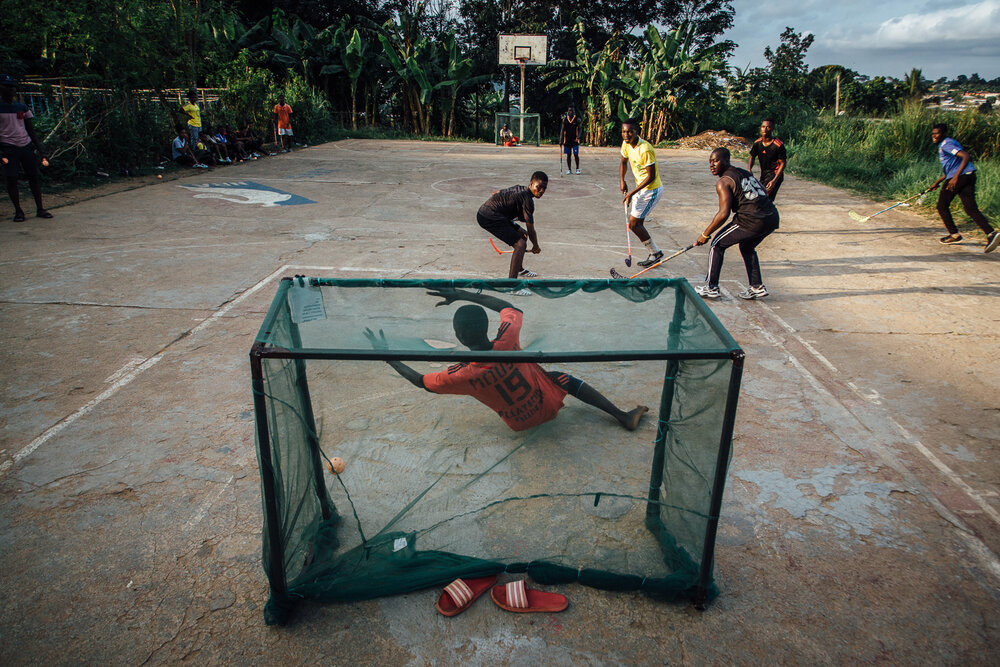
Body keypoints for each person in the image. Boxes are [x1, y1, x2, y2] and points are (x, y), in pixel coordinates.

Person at [364, 288, 648, 432]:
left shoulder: (462, 375)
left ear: (458, 336)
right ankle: (621, 416)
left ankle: (621, 416)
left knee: (522, 376)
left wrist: (387, 356)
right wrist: (462, 294)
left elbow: (419, 381)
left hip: (517, 423)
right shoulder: (507, 337)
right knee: (558, 377)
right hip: (546, 403)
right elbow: (509, 307)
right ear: (487, 328)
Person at [693, 147, 780, 300]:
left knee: (717, 244)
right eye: (710, 162)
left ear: (726, 160)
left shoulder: (724, 182)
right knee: (747, 246)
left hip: (751, 219)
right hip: (771, 217)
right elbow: (764, 192)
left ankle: (711, 287)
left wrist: (705, 234)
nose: (712, 165)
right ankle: (756, 286)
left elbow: (723, 214)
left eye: (716, 161)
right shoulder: (744, 172)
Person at [928, 123, 998, 252]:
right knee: (970, 208)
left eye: (936, 133)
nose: (934, 136)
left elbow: (965, 156)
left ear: (943, 133)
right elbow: (953, 165)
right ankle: (991, 234)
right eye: (932, 134)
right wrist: (938, 181)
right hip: (968, 175)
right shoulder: (951, 142)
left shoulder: (946, 144)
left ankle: (954, 234)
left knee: (942, 205)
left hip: (959, 177)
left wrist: (955, 178)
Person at [477, 171, 547, 294]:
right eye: (538, 187)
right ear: (531, 184)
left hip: (495, 215)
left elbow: (498, 192)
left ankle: (518, 269)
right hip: (488, 216)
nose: (541, 190)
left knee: (522, 235)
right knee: (520, 244)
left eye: (544, 188)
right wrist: (536, 246)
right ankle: (512, 286)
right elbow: (531, 229)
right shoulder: (528, 201)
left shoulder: (520, 189)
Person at [0, 74, 53, 222]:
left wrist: (41, 150)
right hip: (8, 148)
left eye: (12, 87)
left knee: (34, 177)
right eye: (6, 87)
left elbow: (31, 131)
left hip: (25, 145)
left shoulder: (22, 107)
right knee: (11, 178)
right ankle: (18, 211)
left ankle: (40, 208)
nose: (10, 90)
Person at [620, 119, 665, 267]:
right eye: (624, 131)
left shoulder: (645, 149)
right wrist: (622, 180)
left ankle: (655, 252)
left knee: (633, 224)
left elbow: (651, 176)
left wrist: (631, 193)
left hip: (651, 190)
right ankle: (653, 251)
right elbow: (623, 162)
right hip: (641, 188)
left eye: (630, 131)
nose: (626, 134)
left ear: (636, 132)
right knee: (637, 223)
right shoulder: (626, 144)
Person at [747, 118, 786, 201]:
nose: (765, 129)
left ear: (772, 129)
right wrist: (749, 169)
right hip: (764, 175)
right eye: (763, 126)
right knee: (760, 198)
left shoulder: (778, 145)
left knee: (764, 199)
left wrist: (774, 181)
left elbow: (783, 163)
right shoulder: (757, 143)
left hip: (774, 175)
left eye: (768, 127)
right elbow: (752, 157)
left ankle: (771, 213)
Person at [560, 105, 582, 174]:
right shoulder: (565, 120)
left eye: (572, 111)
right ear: (567, 112)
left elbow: (580, 129)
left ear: (574, 112)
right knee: (568, 155)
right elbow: (562, 130)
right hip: (567, 140)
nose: (571, 112)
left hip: (575, 140)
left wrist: (578, 137)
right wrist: (561, 140)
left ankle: (577, 168)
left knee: (576, 155)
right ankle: (569, 169)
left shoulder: (577, 119)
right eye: (569, 110)